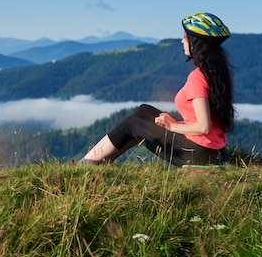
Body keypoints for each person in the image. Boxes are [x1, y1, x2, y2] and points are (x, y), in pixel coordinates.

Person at [77, 12, 234, 167]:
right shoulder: (216, 73)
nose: (182, 41)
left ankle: (84, 165)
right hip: (213, 150)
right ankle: (98, 162)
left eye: (185, 37)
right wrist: (176, 123)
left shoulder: (197, 78)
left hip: (198, 153)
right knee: (143, 112)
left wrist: (173, 126)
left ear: (195, 43)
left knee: (131, 124)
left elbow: (203, 127)